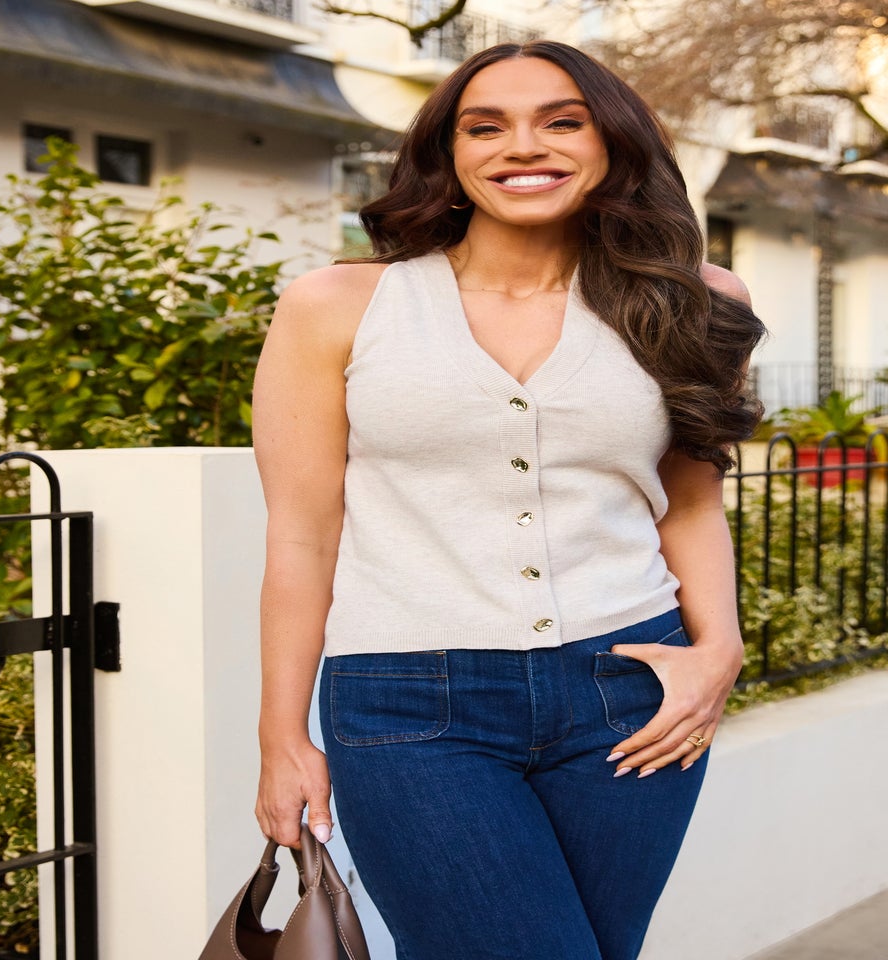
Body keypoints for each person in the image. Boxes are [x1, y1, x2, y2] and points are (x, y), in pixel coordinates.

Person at [252, 40, 765, 960]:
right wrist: (281, 733)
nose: (521, 147)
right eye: (485, 127)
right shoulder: (337, 306)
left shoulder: (695, 302)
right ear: (448, 156)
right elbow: (301, 534)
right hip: (410, 707)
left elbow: (688, 504)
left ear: (611, 143)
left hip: (629, 690)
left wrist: (718, 650)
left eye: (560, 122)